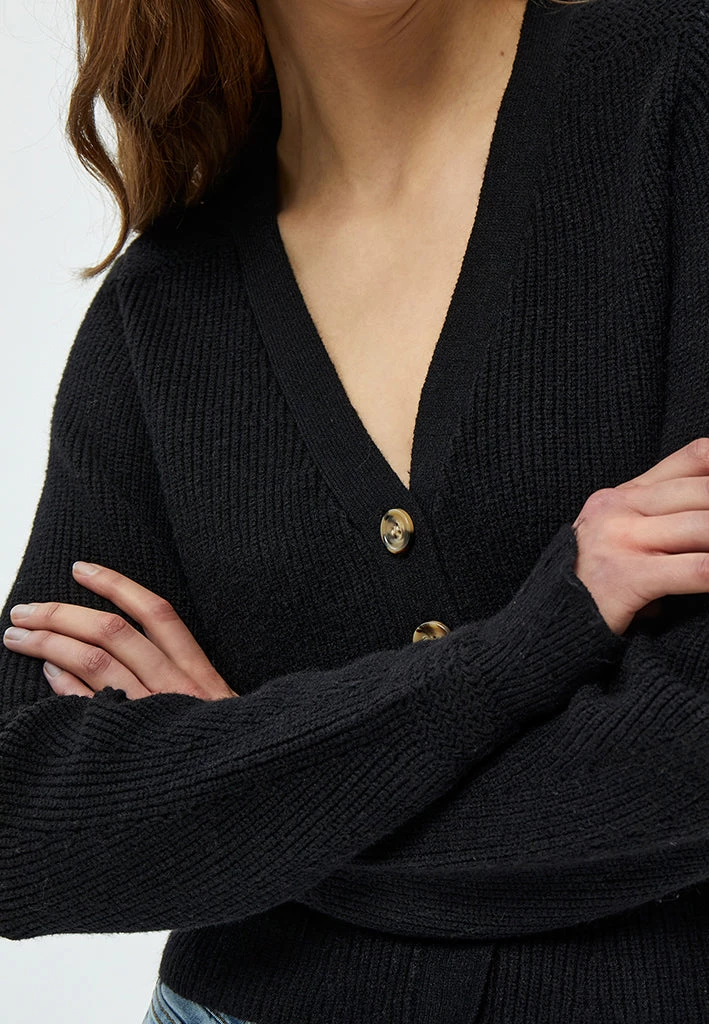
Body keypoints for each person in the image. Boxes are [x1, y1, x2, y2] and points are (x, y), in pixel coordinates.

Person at [1, 0, 708, 1021]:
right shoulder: (162, 309)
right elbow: (25, 823)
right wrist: (526, 646)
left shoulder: (679, 95)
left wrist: (254, 788)